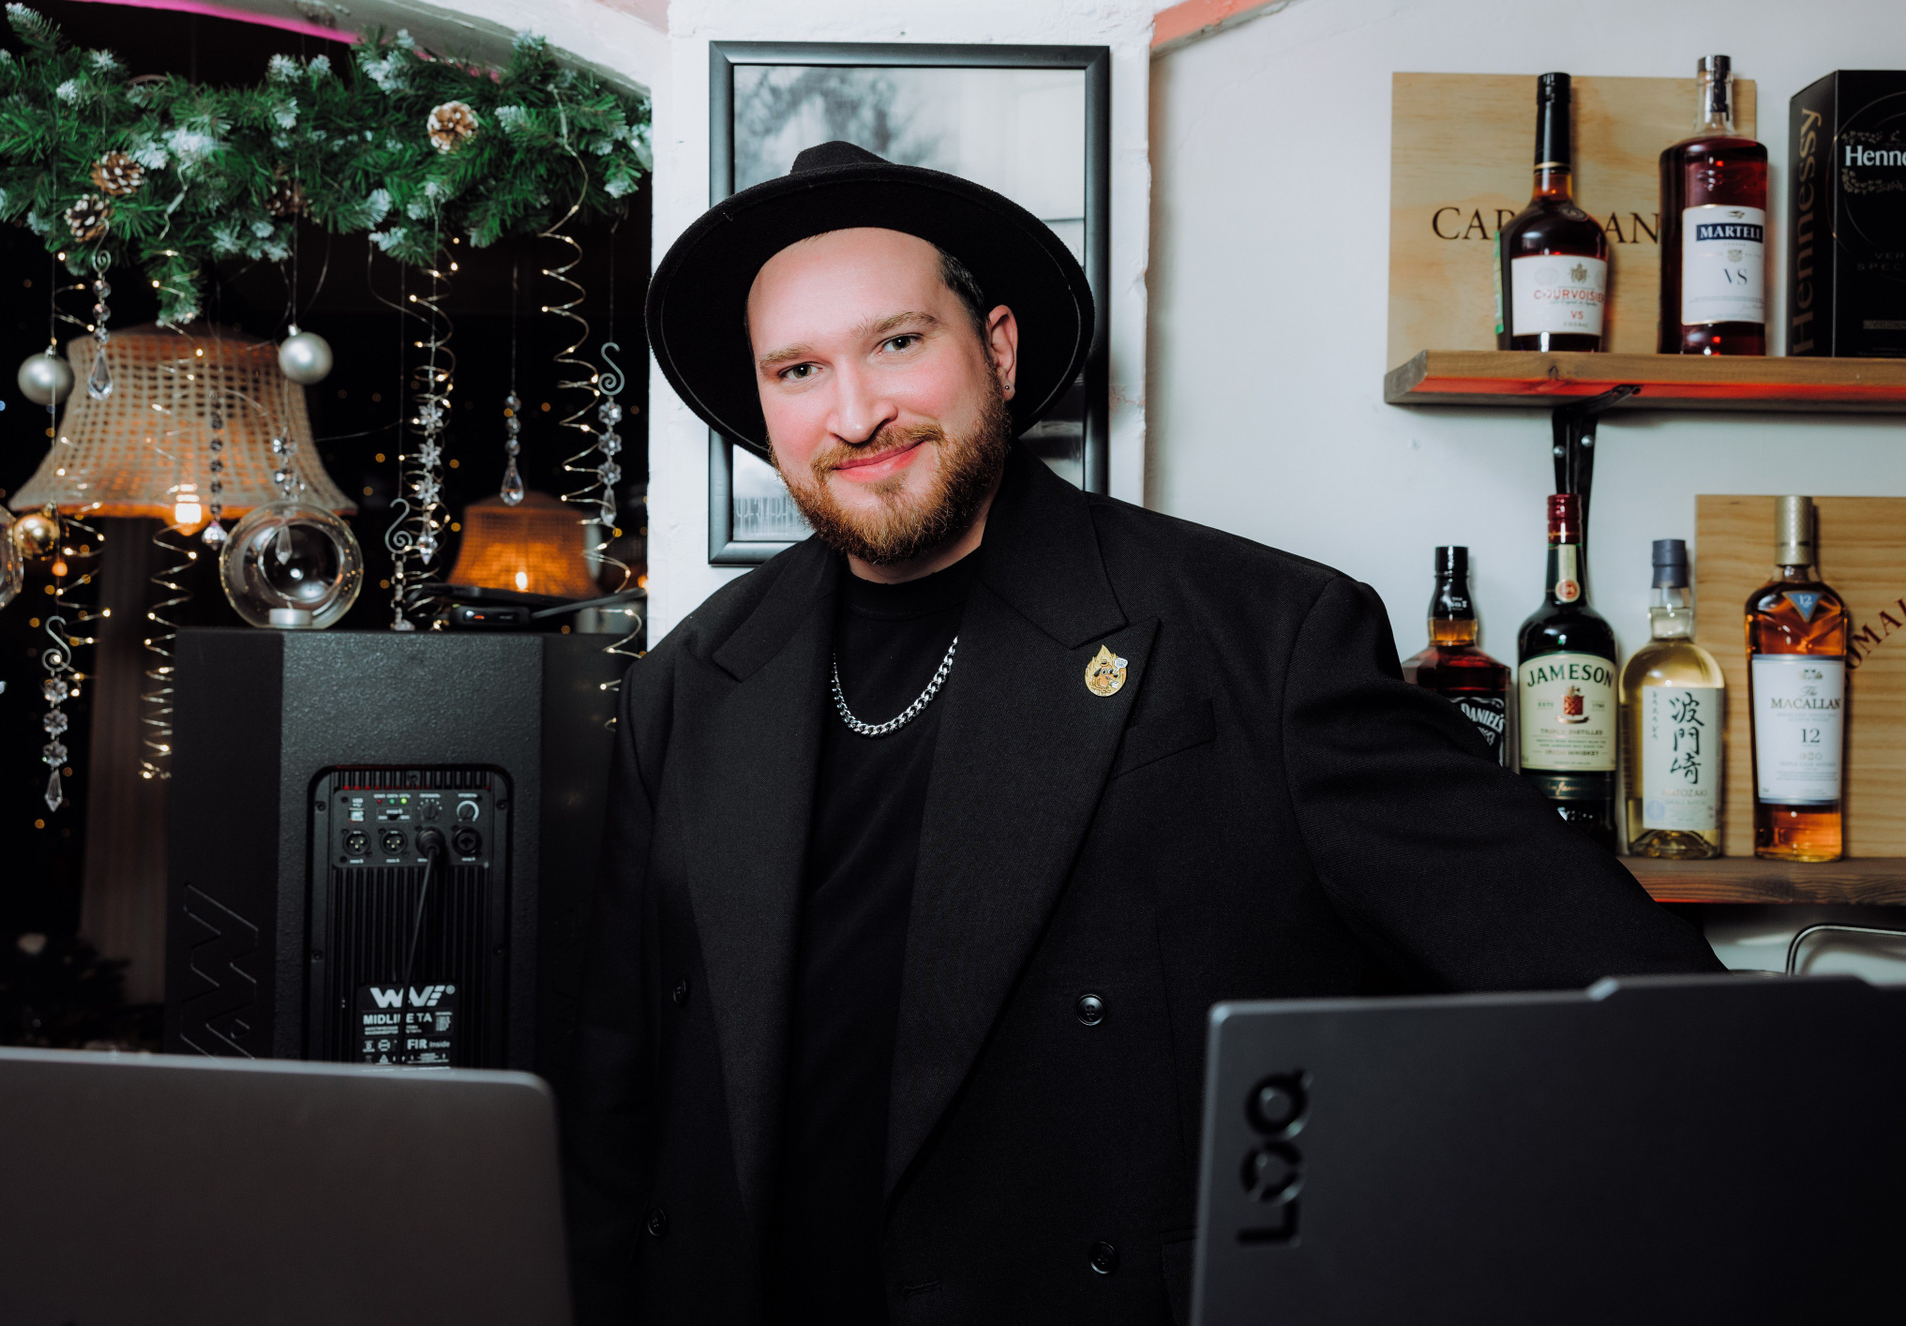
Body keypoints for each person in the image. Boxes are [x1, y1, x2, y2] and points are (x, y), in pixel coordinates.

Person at [565, 141, 1722, 1325]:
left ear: (999, 349)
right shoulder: (689, 684)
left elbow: (1645, 1013)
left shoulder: (1267, 639)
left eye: (898, 343)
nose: (856, 414)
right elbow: (616, 1099)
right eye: (800, 369)